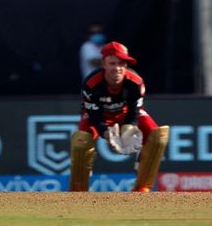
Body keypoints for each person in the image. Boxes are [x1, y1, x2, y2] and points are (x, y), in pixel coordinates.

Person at [70, 41, 170, 192]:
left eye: (121, 64)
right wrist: (106, 133)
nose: (117, 69)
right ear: (103, 64)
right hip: (99, 116)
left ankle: (142, 188)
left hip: (124, 114)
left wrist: (128, 128)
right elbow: (94, 115)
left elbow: (134, 111)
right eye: (112, 63)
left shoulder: (135, 83)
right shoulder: (91, 83)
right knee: (81, 141)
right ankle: (78, 192)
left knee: (159, 137)